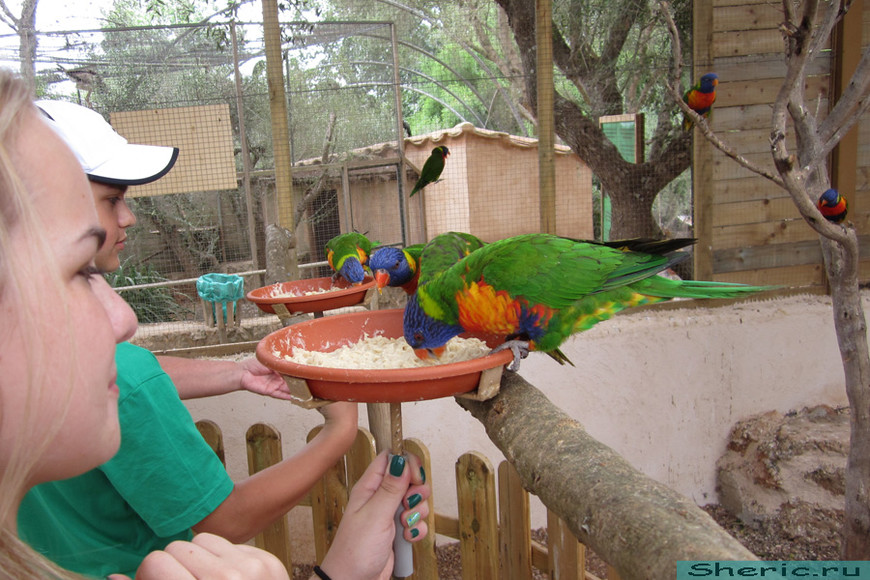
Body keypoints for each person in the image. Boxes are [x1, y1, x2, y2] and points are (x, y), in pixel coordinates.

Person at [0, 68, 429, 580]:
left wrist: (236, 373)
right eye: (81, 269)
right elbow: (137, 383)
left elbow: (137, 371)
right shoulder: (119, 379)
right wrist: (338, 436)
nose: (124, 320)